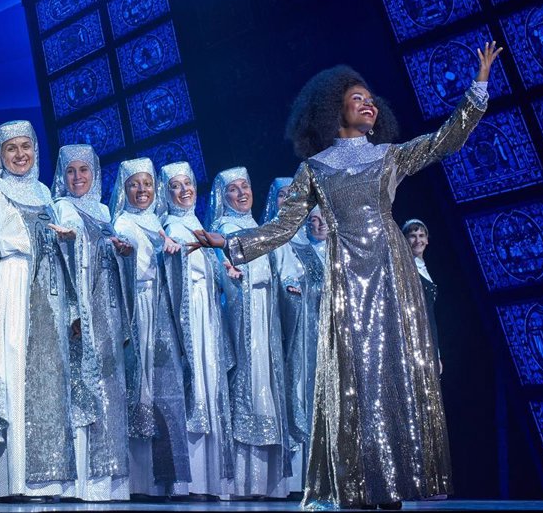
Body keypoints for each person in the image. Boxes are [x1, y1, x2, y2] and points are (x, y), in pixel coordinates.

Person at [192, 42, 501, 510]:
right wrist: (228, 242)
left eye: (371, 100)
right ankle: (358, 483)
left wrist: (477, 88)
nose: (369, 104)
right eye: (358, 99)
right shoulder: (314, 170)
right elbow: (284, 226)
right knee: (354, 377)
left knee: (394, 369)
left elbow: (443, 141)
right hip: (346, 275)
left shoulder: (390, 156)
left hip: (391, 269)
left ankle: (394, 482)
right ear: (334, 110)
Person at [0, 121, 86, 499]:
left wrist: (67, 240)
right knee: (16, 372)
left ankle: (48, 479)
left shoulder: (45, 193)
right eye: (11, 149)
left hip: (47, 294)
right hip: (14, 289)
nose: (20, 155)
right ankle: (16, 478)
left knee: (49, 378)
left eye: (26, 147)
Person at [51, 145, 133, 501]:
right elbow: (63, 248)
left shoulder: (103, 211)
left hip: (107, 308)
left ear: (94, 173)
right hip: (84, 306)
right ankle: (82, 481)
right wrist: (72, 240)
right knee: (83, 388)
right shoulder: (62, 207)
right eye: (71, 171)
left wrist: (123, 250)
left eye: (84, 170)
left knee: (110, 387)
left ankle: (110, 480)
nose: (78, 177)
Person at [109, 158, 192, 498]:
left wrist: (172, 254)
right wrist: (125, 254)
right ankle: (138, 481)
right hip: (137, 309)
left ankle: (163, 480)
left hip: (159, 310)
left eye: (147, 184)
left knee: (163, 389)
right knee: (139, 387)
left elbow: (167, 263)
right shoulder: (122, 221)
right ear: (124, 189)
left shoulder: (158, 222)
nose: (142, 190)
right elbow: (122, 255)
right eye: (134, 184)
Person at [210, 168, 291, 500]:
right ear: (223, 196)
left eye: (245, 186)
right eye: (233, 189)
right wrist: (229, 274)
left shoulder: (261, 228)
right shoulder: (221, 228)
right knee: (246, 384)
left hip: (265, 315)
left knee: (266, 385)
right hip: (240, 315)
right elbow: (220, 267)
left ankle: (267, 482)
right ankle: (241, 481)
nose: (242, 193)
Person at [157, 161, 235, 499]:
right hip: (188, 312)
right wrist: (171, 253)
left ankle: (212, 479)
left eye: (187, 183)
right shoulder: (170, 224)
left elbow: (211, 267)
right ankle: (189, 479)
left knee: (210, 380)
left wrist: (225, 268)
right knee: (194, 383)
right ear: (166, 193)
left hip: (207, 312)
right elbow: (169, 257)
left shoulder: (197, 223)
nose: (184, 190)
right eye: (175, 186)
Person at [276, 206, 329, 495]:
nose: (319, 225)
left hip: (333, 336)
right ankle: (306, 476)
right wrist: (292, 290)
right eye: (313, 220)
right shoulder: (300, 252)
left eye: (324, 219)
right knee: (305, 394)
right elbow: (289, 280)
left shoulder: (341, 253)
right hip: (307, 334)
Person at [403, 219, 441, 374]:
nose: (418, 240)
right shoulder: (405, 268)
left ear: (427, 239)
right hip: (415, 335)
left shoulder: (424, 268)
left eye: (421, 235)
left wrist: (436, 353)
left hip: (429, 334)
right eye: (412, 236)